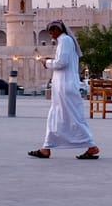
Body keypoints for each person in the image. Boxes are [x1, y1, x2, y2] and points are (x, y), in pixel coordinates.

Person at [29, 20, 100, 160]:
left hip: (65, 86)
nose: (50, 35)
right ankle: (46, 147)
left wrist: (47, 62)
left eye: (51, 32)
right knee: (57, 116)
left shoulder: (65, 40)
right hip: (63, 85)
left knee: (72, 117)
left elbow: (62, 63)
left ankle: (92, 146)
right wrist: (52, 59)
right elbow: (63, 60)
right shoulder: (64, 41)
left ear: (56, 30)